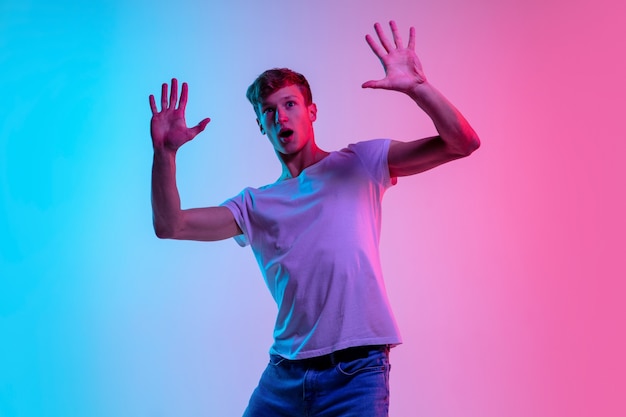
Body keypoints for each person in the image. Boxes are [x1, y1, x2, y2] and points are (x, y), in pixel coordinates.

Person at [149, 20, 479, 417]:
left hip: (356, 372)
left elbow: (462, 143)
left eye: (290, 105)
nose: (281, 117)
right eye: (268, 111)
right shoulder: (255, 205)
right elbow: (171, 225)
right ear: (260, 126)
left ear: (311, 111)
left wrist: (418, 89)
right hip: (284, 377)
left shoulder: (359, 163)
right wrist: (165, 155)